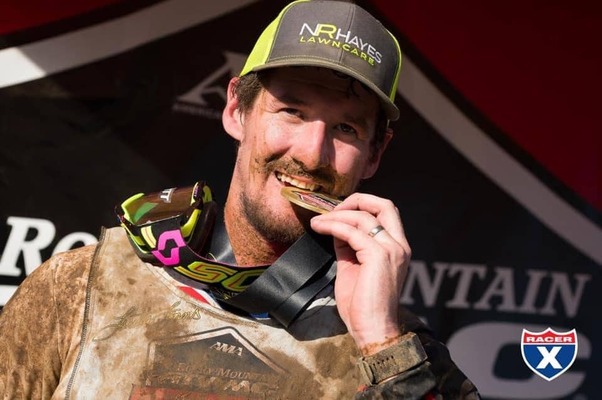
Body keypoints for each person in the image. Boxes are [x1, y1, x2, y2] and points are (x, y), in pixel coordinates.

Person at [0, 1, 480, 398]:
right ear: (236, 110)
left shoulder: (404, 355)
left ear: (375, 154)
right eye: (291, 111)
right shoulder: (78, 288)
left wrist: (381, 344)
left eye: (346, 128)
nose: (312, 154)